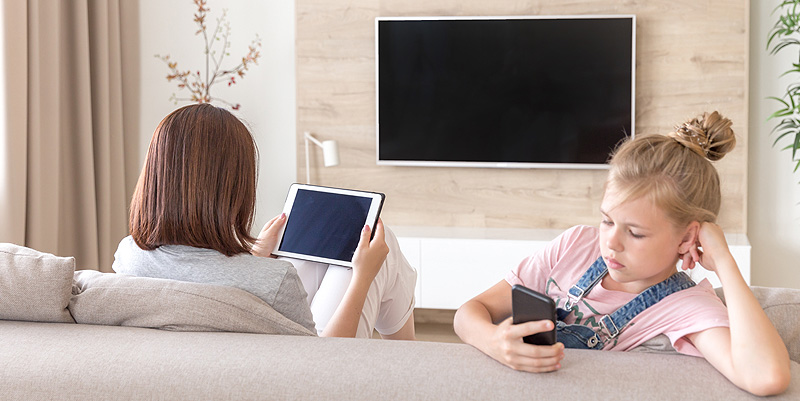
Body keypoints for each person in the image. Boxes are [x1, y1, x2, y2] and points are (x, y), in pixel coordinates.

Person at [453, 111, 791, 396]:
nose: (611, 243)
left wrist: (725, 264)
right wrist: (494, 341)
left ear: (687, 237)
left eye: (635, 232)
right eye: (606, 220)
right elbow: (469, 312)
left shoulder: (685, 306)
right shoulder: (575, 245)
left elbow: (766, 376)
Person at [113, 103, 416, 340]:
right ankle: (409, 361)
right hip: (301, 373)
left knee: (322, 254)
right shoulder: (274, 280)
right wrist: (363, 277)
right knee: (374, 241)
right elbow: (324, 362)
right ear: (234, 187)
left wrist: (254, 256)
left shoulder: (128, 256)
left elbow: (206, 277)